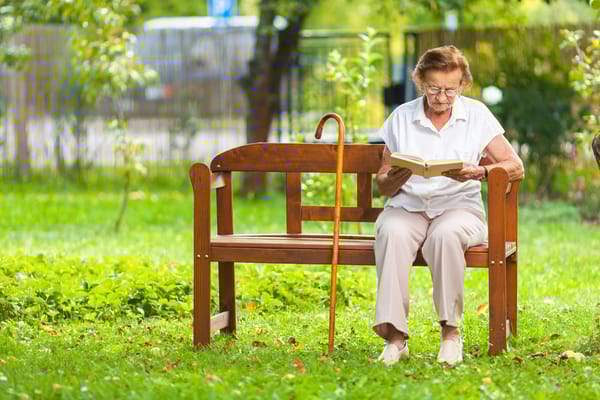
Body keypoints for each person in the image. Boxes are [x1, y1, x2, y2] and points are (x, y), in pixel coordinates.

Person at [373, 45, 524, 365]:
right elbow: (383, 183)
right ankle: (395, 339)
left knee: (445, 236)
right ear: (420, 82)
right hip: (408, 206)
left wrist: (479, 171)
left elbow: (515, 166)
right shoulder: (401, 117)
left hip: (459, 207)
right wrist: (396, 175)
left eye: (450, 90)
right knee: (391, 231)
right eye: (434, 89)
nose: (441, 97)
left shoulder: (477, 115)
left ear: (463, 85)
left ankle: (450, 333)